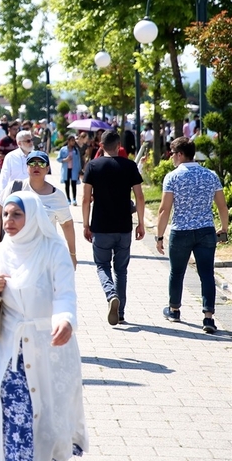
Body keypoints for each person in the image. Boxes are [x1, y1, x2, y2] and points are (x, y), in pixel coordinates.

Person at [0, 191, 88, 461]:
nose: (9, 220)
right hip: (8, 354)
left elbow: (65, 292)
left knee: (50, 420)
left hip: (49, 348)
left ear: (33, 216)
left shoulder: (53, 249)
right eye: (5, 214)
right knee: (15, 420)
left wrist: (65, 319)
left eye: (17, 214)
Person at [156, 137, 229, 334]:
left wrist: (159, 236)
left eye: (173, 154)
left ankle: (174, 309)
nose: (171, 157)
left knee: (177, 272)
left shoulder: (172, 177)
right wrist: (224, 228)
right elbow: (222, 205)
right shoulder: (210, 175)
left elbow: (164, 209)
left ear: (180, 154)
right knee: (206, 274)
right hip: (206, 230)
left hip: (181, 231)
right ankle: (208, 317)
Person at [82, 130, 145, 326]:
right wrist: (141, 223)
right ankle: (121, 312)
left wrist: (85, 224)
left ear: (101, 146)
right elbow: (140, 197)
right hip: (124, 226)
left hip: (100, 226)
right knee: (121, 271)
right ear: (119, 146)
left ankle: (111, 296)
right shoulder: (130, 166)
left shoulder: (92, 166)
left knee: (102, 266)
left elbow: (85, 200)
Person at [0, 151, 77, 267]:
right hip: (14, 255)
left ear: (47, 169)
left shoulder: (58, 196)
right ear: (26, 167)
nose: (36, 167)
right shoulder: (15, 187)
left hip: (45, 257)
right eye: (32, 163)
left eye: (41, 163)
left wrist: (72, 254)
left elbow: (67, 225)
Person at [0, 131, 33, 198]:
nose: (31, 143)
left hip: (32, 193)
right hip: (15, 193)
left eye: (32, 140)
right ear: (19, 143)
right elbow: (4, 177)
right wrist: (2, 195)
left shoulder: (36, 156)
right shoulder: (11, 156)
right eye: (28, 141)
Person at [57, 136, 82, 205]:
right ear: (68, 141)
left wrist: (80, 170)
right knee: (67, 184)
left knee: (74, 184)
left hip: (74, 170)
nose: (73, 142)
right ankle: (68, 199)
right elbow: (58, 159)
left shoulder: (76, 150)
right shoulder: (63, 149)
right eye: (72, 141)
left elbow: (79, 161)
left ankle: (74, 199)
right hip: (66, 170)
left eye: (74, 141)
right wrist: (65, 160)